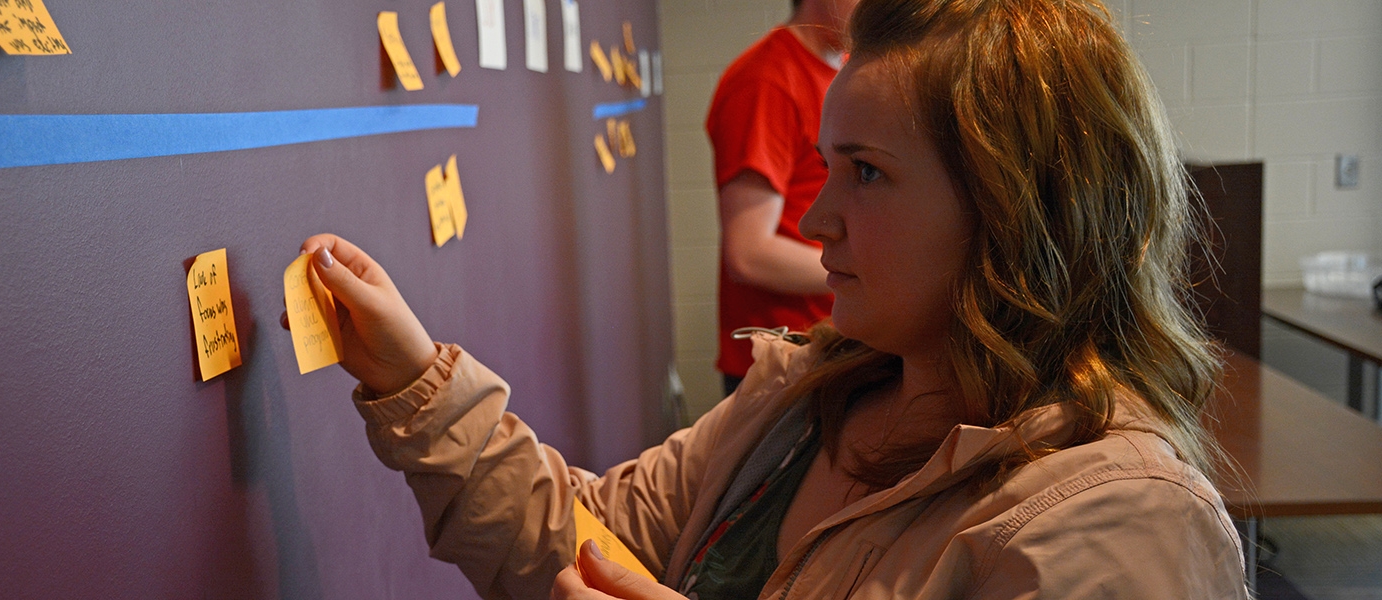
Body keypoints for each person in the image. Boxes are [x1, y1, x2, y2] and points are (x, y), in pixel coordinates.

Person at [286, 0, 1248, 597]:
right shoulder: (798, 401)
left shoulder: (1124, 523)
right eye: (826, 169)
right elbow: (584, 540)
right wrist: (415, 377)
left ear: (1013, 205)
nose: (819, 219)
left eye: (866, 175)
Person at [707, 0, 857, 395]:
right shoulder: (765, 82)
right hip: (783, 362)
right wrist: (877, 270)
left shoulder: (844, 70)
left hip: (832, 345)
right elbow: (750, 253)